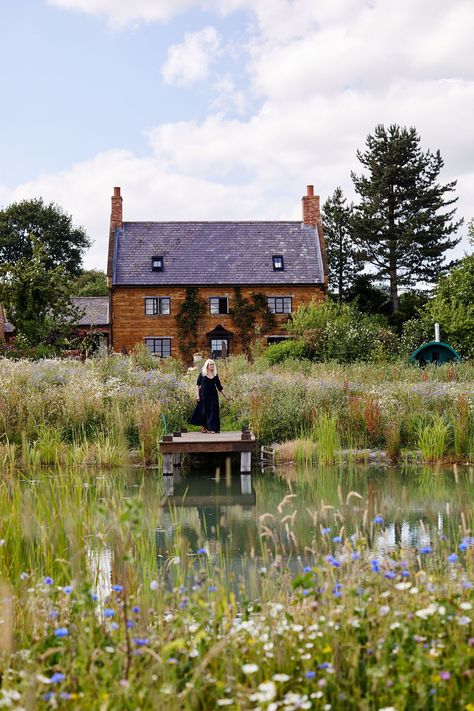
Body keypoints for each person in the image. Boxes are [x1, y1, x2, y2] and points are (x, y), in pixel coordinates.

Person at [189, 359, 226, 433]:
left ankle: (213, 428)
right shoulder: (202, 374)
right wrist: (197, 395)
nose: (212, 366)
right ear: (207, 365)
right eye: (210, 364)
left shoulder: (215, 375)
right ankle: (204, 427)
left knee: (213, 411)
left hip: (213, 396)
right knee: (203, 411)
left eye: (213, 364)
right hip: (203, 396)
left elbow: (219, 387)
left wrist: (225, 395)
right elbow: (197, 385)